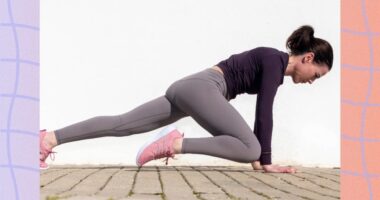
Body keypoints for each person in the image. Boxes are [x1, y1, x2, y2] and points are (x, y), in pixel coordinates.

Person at [40, 25, 333, 173]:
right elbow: (264, 112)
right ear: (308, 58)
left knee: (122, 124)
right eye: (316, 75)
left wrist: (257, 159)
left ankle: (48, 138)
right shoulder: (274, 61)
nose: (311, 82)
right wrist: (264, 161)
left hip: (192, 89)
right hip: (203, 88)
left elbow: (255, 124)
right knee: (250, 148)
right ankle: (174, 144)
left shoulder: (273, 64)